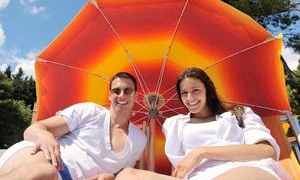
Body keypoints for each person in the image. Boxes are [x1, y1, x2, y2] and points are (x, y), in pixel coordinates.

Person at [115, 67, 290, 180]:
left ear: (208, 89)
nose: (190, 98)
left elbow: (266, 151)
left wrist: (202, 152)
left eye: (196, 90)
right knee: (127, 175)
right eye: (184, 93)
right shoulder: (175, 124)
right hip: (198, 177)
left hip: (242, 169)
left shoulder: (237, 114)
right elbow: (180, 170)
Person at [0, 72, 147, 180]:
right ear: (109, 95)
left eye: (127, 91)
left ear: (136, 96)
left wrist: (109, 176)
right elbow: (33, 130)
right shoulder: (90, 111)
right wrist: (46, 136)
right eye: (116, 90)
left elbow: (122, 174)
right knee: (45, 172)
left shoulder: (139, 139)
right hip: (51, 158)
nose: (121, 95)